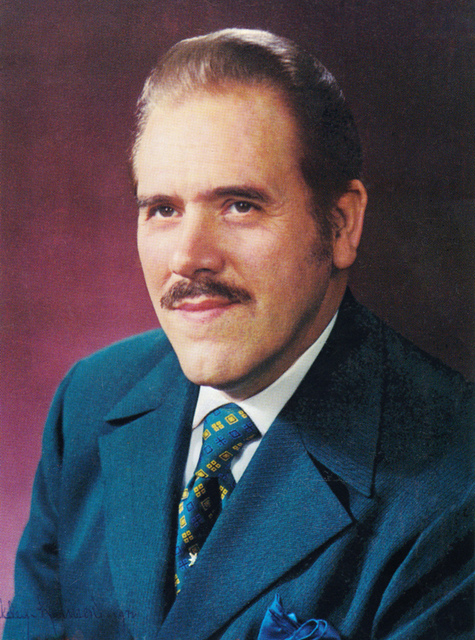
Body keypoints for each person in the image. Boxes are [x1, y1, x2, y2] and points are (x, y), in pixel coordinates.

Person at [4, 28, 473, 640]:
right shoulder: (90, 401)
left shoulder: (454, 484)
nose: (189, 258)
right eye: (163, 209)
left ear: (340, 225)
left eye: (239, 205)